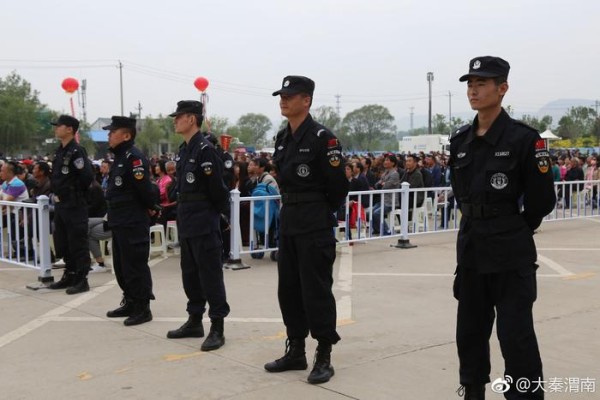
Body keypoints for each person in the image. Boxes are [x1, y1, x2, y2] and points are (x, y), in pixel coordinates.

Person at [449, 56, 555, 399]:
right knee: (469, 332)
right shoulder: (461, 140)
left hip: (510, 253)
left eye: (481, 83)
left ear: (502, 88)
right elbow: (460, 194)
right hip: (472, 250)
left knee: (516, 336)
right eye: (470, 83)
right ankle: (472, 390)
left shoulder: (524, 139)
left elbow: (541, 201)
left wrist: (514, 228)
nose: (473, 90)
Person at [264, 76, 348, 384]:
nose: (283, 100)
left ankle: (323, 354)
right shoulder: (283, 136)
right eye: (281, 95)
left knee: (316, 291)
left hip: (314, 223)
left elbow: (338, 187)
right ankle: (295, 349)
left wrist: (319, 212)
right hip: (289, 222)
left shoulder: (322, 138)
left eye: (290, 95)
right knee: (289, 290)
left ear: (306, 100)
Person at [166, 100, 230, 352]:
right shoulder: (184, 150)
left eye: (179, 116)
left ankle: (217, 327)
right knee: (190, 274)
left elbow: (218, 190)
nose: (175, 120)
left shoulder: (205, 149)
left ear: (191, 119)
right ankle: (194, 320)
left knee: (210, 275)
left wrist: (215, 216)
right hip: (187, 219)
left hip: (203, 219)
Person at [104, 116, 159, 326]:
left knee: (135, 265)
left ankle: (142, 307)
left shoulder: (134, 157)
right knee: (121, 265)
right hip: (119, 220)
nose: (109, 135)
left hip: (132, 220)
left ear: (126, 135)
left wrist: (152, 206)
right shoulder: (119, 156)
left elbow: (144, 190)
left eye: (113, 132)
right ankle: (130, 300)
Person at [47, 115, 94, 294]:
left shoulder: (76, 151)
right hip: (61, 205)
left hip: (74, 204)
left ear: (69, 129)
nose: (55, 128)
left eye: (59, 126)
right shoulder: (60, 150)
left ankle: (82, 279)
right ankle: (70, 274)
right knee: (64, 242)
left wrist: (74, 194)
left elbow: (86, 177)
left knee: (77, 243)